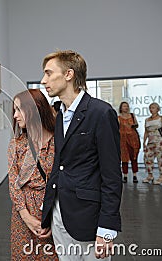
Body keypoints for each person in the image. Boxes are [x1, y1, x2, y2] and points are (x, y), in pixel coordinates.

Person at [39, 50, 122, 260]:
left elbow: (112, 175)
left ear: (68, 74)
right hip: (59, 214)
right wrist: (48, 210)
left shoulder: (101, 113)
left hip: (89, 218)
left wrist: (106, 228)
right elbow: (60, 164)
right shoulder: (60, 115)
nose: (43, 80)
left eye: (49, 73)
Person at [7, 89, 58, 260]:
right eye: (14, 110)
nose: (15, 115)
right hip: (23, 213)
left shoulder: (59, 142)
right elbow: (14, 184)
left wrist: (51, 218)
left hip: (54, 208)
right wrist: (26, 217)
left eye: (19, 109)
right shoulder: (16, 145)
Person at [143, 102, 162, 185]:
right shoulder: (147, 120)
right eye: (150, 107)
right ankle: (150, 175)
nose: (151, 109)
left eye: (153, 107)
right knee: (148, 158)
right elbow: (146, 131)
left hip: (160, 141)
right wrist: (144, 142)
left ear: (158, 109)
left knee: (161, 159)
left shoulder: (161, 118)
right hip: (150, 141)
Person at [118, 102, 140, 183]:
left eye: (127, 106)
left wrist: (133, 125)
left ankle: (135, 175)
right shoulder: (119, 118)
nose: (126, 107)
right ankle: (125, 176)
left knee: (134, 157)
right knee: (124, 158)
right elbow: (117, 128)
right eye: (124, 106)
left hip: (133, 139)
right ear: (121, 108)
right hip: (123, 140)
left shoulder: (132, 115)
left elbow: (137, 125)